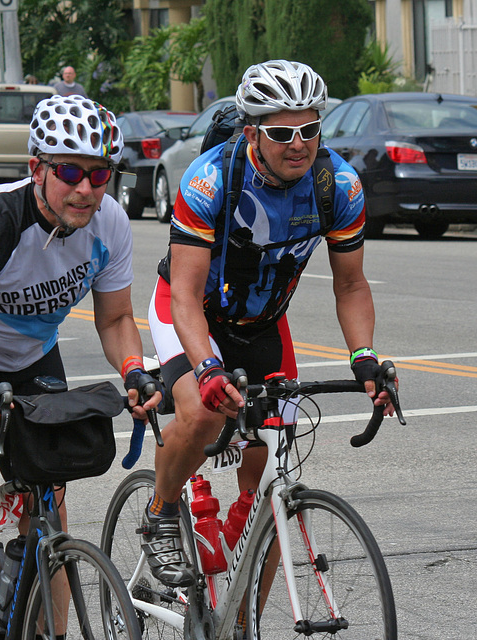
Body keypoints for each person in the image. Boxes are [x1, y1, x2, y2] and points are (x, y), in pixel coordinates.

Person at [0, 94, 161, 640]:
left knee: (51, 508)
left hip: (30, 355)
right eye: (70, 171)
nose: (87, 188)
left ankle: (50, 632)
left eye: (100, 174)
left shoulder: (109, 223)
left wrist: (135, 370)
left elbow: (114, 320)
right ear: (36, 169)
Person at [143, 59, 397, 588]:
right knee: (202, 414)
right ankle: (162, 512)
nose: (299, 143)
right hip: (190, 312)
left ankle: (242, 606)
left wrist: (364, 357)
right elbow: (185, 295)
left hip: (262, 324)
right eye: (283, 133)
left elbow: (350, 285)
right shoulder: (211, 179)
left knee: (274, 473)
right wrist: (208, 367)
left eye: (309, 129)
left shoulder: (338, 186)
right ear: (254, 131)